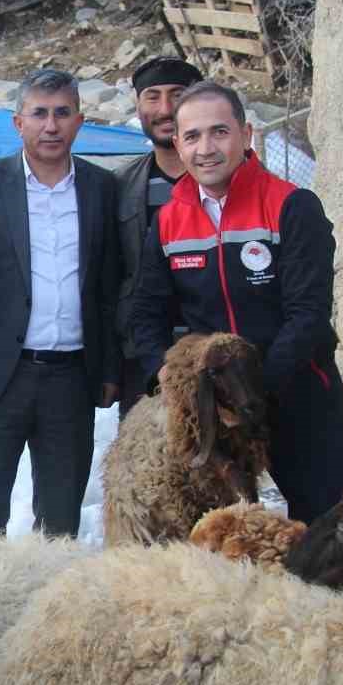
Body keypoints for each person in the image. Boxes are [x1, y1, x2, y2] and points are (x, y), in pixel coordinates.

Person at [130, 80, 343, 522]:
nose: (206, 148)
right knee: (220, 534)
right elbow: (145, 312)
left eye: (219, 132)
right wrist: (167, 373)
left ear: (246, 135)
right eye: (192, 136)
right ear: (178, 144)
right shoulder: (169, 220)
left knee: (322, 528)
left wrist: (254, 388)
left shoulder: (292, 206)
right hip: (215, 411)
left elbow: (307, 315)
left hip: (297, 395)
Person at [0, 68, 121, 545]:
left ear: (79, 121)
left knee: (60, 522)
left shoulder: (102, 188)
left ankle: (51, 594)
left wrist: (108, 368)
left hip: (71, 380)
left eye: (62, 113)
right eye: (39, 114)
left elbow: (108, 287)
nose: (51, 126)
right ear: (18, 123)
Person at [113, 55, 203, 418]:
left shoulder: (224, 182)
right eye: (153, 97)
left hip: (216, 354)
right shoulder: (120, 186)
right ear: (138, 106)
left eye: (177, 94)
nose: (165, 109)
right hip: (143, 359)